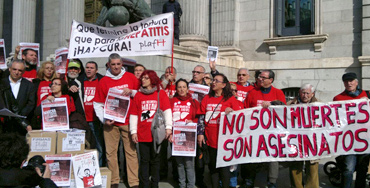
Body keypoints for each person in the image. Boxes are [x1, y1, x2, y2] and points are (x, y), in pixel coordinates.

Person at [93, 53, 139, 188]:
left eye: (118, 64)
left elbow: (140, 95)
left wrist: (131, 91)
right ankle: (113, 181)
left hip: (128, 121)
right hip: (110, 123)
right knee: (110, 153)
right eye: (113, 64)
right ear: (108, 65)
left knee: (130, 153)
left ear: (122, 64)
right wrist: (103, 119)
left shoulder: (130, 78)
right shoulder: (103, 81)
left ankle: (134, 182)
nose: (116, 67)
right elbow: (97, 103)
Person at [242, 69, 286, 188]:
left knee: (272, 158)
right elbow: (244, 110)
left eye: (263, 77)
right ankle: (249, 180)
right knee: (252, 155)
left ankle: (272, 182)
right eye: (259, 77)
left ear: (270, 80)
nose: (259, 79)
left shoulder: (278, 93)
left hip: (272, 132)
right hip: (254, 132)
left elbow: (284, 110)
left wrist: (272, 103)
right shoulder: (252, 93)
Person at [197, 73, 242, 188]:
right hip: (210, 140)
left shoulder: (231, 99)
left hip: (225, 142)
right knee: (213, 168)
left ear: (223, 85)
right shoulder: (207, 98)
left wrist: (231, 111)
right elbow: (201, 116)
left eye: (217, 81)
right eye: (213, 80)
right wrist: (201, 133)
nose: (213, 82)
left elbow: (240, 118)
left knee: (224, 169)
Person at [130, 70, 173, 188]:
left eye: (146, 78)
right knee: (144, 161)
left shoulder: (160, 94)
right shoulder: (138, 95)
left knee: (155, 162)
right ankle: (144, 185)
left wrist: (169, 128)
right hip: (142, 134)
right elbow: (134, 114)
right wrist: (133, 131)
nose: (142, 80)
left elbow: (167, 111)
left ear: (152, 80)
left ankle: (155, 184)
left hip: (157, 134)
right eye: (142, 78)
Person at [333, 72, 369, 188]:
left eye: (351, 80)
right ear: (343, 83)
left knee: (362, 169)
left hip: (365, 139)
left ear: (356, 82)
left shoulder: (366, 95)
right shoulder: (338, 98)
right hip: (349, 140)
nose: (349, 83)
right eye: (346, 81)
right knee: (348, 169)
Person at [288, 83, 319, 188]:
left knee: (312, 167)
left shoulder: (320, 105)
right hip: (295, 141)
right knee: (295, 168)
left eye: (307, 93)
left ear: (312, 94)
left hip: (313, 141)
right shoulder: (290, 105)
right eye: (303, 93)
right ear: (299, 93)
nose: (305, 95)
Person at [170, 78, 200, 188]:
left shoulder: (193, 102)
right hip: (175, 135)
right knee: (179, 164)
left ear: (188, 89)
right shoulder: (172, 101)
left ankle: (191, 185)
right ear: (176, 89)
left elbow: (198, 118)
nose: (182, 89)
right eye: (179, 87)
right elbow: (168, 117)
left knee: (189, 164)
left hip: (189, 136)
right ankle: (182, 184)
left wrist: (193, 122)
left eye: (184, 87)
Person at [76, 61, 105, 167]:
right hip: (83, 119)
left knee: (99, 146)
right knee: (83, 146)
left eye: (91, 68)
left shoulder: (102, 80)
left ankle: (100, 168)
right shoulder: (79, 81)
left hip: (96, 119)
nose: (88, 69)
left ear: (96, 70)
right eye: (87, 67)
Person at [0, 59, 35, 135]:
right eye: (14, 69)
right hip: (4, 124)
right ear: (9, 69)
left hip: (21, 125)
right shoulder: (2, 83)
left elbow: (31, 103)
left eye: (20, 70)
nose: (16, 72)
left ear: (24, 71)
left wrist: (19, 117)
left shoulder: (29, 85)